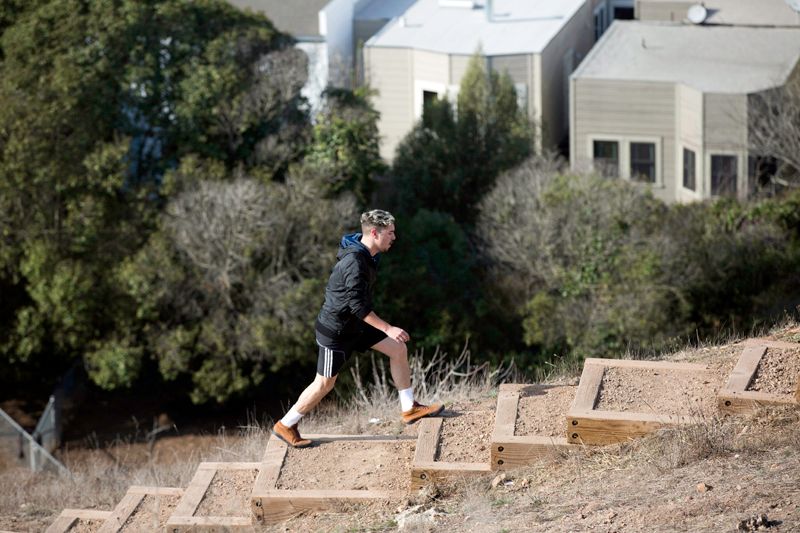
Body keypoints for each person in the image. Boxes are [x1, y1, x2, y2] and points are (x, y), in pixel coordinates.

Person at [271, 209, 444, 448]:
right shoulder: (354, 261)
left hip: (356, 325)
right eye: (390, 233)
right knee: (324, 384)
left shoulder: (368, 253)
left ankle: (409, 408)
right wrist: (388, 328)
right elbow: (357, 307)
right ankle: (285, 424)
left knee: (398, 349)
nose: (394, 237)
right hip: (336, 332)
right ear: (374, 233)